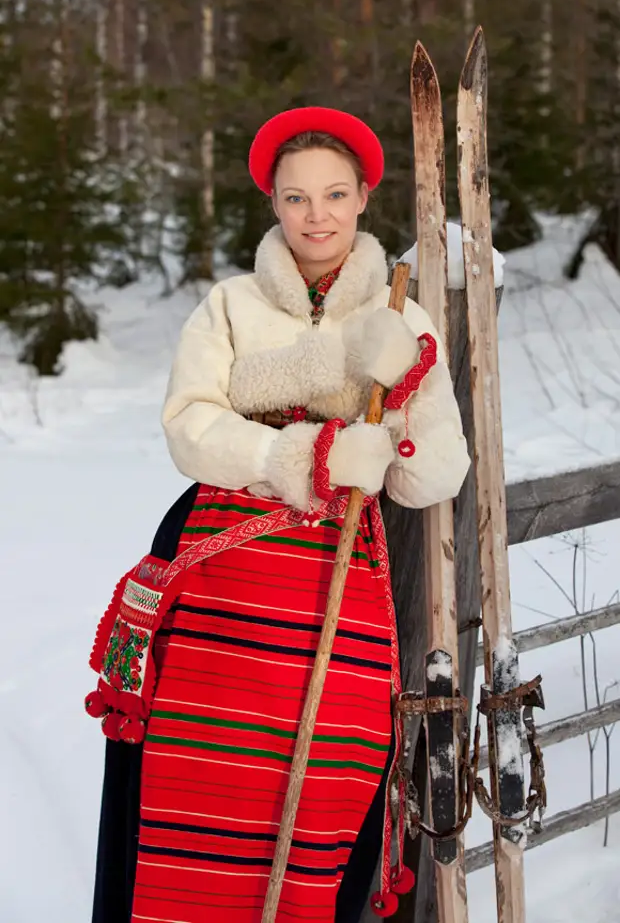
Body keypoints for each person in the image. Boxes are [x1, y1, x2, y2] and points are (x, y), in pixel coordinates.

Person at [87, 106, 470, 923]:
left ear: (366, 196)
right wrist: (306, 452)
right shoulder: (227, 306)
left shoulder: (408, 321)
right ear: (272, 201)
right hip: (224, 575)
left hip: (340, 583)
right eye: (296, 198)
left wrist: (398, 412)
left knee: (327, 783)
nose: (316, 215)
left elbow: (436, 476)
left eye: (335, 194)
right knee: (201, 779)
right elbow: (189, 425)